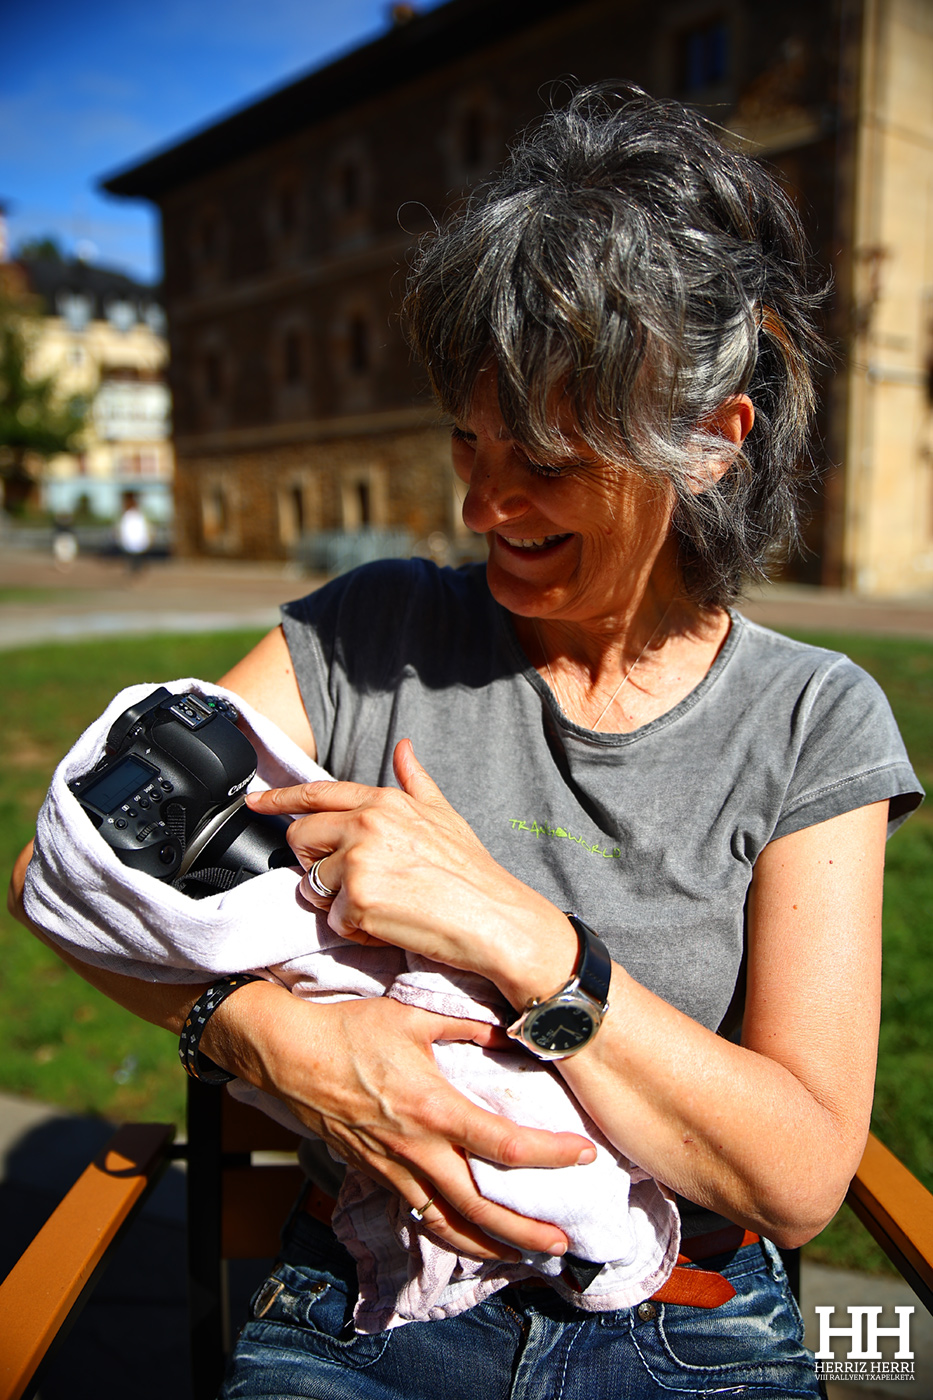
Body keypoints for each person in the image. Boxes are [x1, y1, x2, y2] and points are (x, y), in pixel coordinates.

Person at [10, 83, 922, 1398]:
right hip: (365, 1313)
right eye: (466, 440)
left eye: (545, 457)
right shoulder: (368, 634)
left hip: (686, 1317)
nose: (485, 501)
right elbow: (70, 874)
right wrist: (258, 1034)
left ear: (708, 444)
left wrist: (509, 930)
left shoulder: (808, 717)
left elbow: (792, 1181)